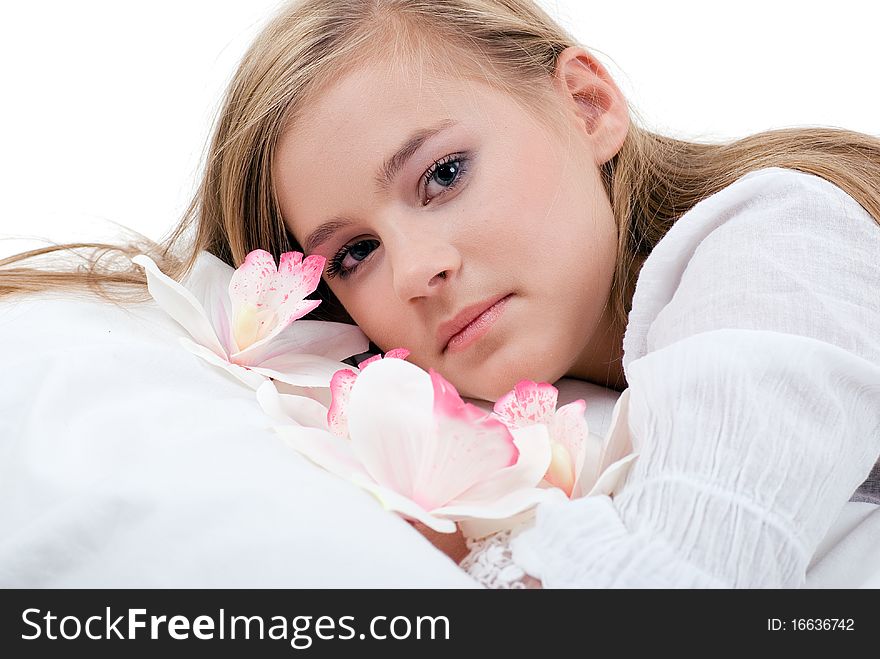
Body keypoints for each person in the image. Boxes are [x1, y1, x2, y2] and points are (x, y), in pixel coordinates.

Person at [2, 0, 879, 587]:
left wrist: (475, 544)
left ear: (586, 104)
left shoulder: (781, 238)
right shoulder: (557, 399)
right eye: (353, 254)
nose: (416, 269)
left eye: (444, 173)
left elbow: (681, 588)